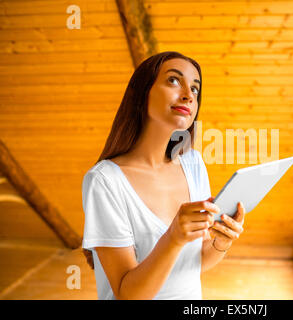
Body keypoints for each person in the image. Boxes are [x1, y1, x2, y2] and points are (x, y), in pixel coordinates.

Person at [81, 51, 245, 300]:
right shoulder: (104, 181)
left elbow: (195, 263)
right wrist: (173, 237)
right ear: (142, 93)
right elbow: (129, 295)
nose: (189, 95)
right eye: (173, 80)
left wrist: (221, 242)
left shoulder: (193, 164)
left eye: (195, 89)